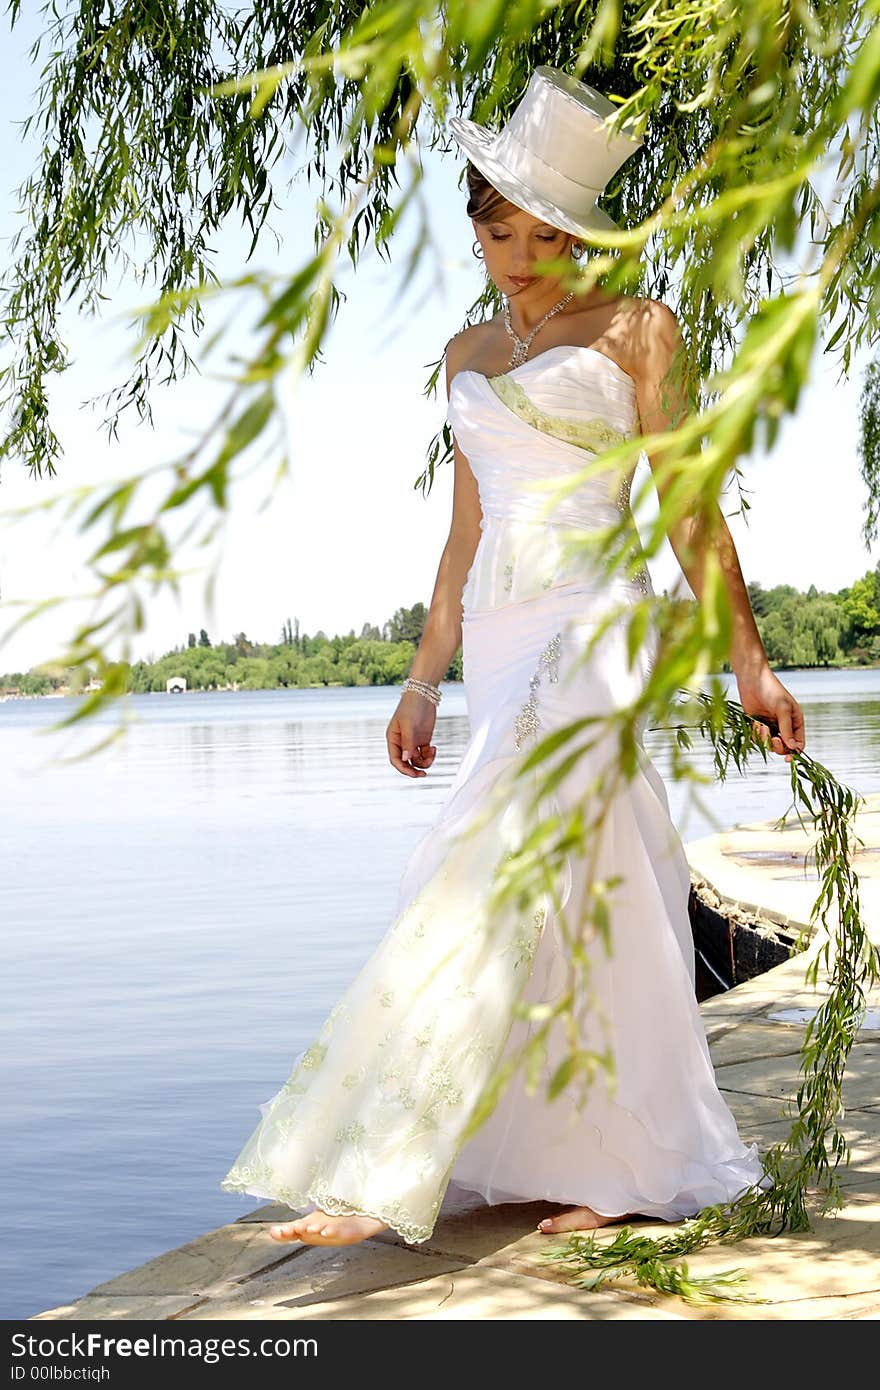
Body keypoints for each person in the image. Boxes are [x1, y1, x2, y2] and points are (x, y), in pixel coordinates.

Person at [220, 66, 805, 1249]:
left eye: (546, 234)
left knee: (488, 864)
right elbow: (463, 529)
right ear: (475, 225)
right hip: (495, 639)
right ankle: (569, 1154)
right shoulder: (461, 351)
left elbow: (691, 510)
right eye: (499, 231)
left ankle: (398, 1155)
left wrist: (749, 661)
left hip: (592, 625)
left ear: (585, 231)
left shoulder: (641, 329)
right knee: (585, 879)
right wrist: (420, 677)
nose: (521, 256)